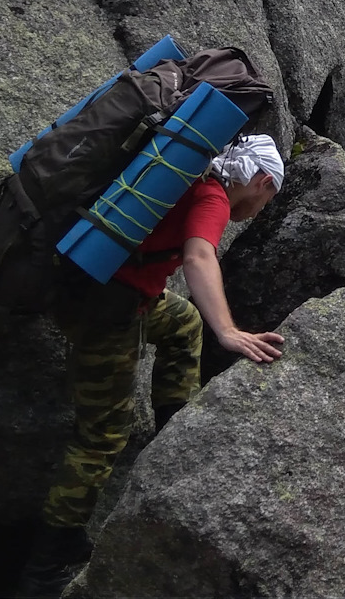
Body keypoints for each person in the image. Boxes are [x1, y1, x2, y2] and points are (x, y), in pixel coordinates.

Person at [16, 133, 285, 598]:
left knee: (181, 322)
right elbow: (200, 256)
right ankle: (45, 563)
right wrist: (227, 329)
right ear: (261, 181)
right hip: (107, 313)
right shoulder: (211, 196)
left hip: (97, 287)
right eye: (268, 198)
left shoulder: (189, 177)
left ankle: (170, 437)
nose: (261, 210)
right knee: (102, 437)